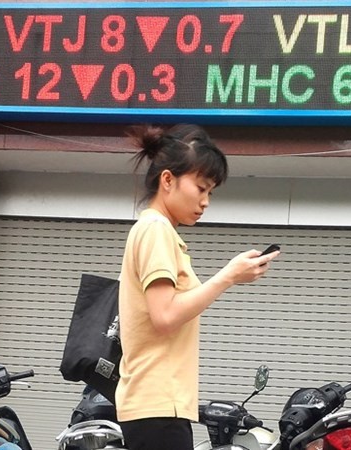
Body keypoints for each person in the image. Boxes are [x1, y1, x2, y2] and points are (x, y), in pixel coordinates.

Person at [116, 124, 280, 450]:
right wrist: (227, 277)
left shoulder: (155, 231)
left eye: (211, 193)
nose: (205, 201)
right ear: (167, 180)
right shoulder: (156, 230)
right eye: (201, 188)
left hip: (158, 405)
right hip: (158, 405)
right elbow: (163, 317)